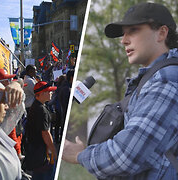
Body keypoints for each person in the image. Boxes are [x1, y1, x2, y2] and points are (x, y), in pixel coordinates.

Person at [63, 2, 178, 179]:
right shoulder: (155, 78)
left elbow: (125, 156)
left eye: (133, 30)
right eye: (124, 33)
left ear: (161, 33)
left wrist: (79, 155)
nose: (124, 40)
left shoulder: (166, 80)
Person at [24, 81, 57, 180]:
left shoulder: (35, 106)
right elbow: (45, 133)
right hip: (41, 152)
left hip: (35, 150)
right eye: (49, 91)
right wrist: (53, 150)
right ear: (42, 93)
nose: (51, 93)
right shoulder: (41, 110)